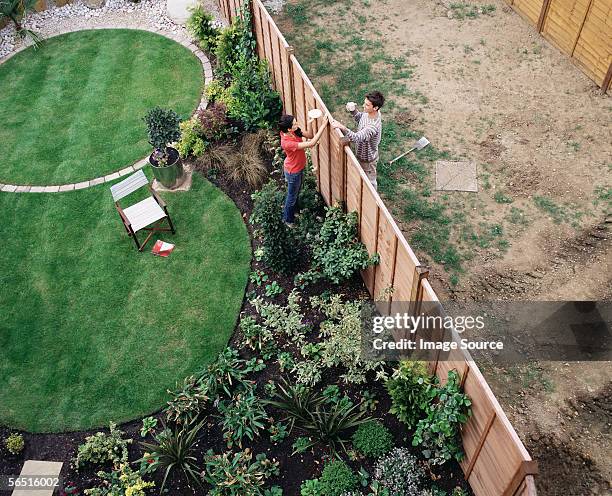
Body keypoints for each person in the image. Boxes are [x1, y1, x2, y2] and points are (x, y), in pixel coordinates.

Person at [279, 113, 329, 227]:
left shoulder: (293, 131)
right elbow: (311, 143)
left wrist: (310, 124)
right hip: (293, 172)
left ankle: (294, 211)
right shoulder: (287, 143)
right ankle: (288, 220)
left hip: (298, 168)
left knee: (295, 193)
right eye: (294, 123)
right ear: (288, 128)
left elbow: (310, 136)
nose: (297, 124)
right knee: (291, 197)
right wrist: (323, 125)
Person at [331, 91, 385, 189]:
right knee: (362, 177)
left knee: (370, 182)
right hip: (362, 154)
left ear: (375, 108)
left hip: (367, 159)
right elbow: (361, 118)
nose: (364, 106)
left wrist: (342, 127)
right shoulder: (370, 113)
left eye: (367, 105)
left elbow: (356, 138)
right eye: (364, 103)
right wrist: (353, 111)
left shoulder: (372, 127)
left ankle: (373, 201)